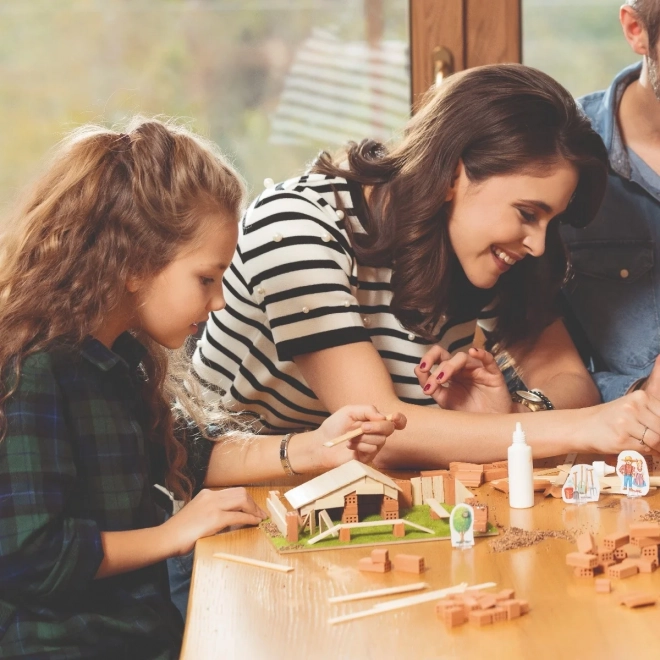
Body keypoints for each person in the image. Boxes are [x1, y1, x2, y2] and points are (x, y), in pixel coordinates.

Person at [0, 117, 404, 659]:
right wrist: (173, 533)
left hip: (145, 635)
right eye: (206, 279)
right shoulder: (35, 370)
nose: (218, 303)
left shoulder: (121, 356)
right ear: (134, 265)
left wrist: (317, 446)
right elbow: (32, 558)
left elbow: (190, 453)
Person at [194, 62, 660, 468]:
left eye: (550, 221)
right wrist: (583, 428)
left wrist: (515, 413)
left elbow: (569, 380)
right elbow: (378, 435)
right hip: (226, 509)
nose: (538, 245)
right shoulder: (298, 226)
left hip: (349, 502)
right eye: (527, 214)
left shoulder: (478, 250)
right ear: (453, 174)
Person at [561, 0, 660, 403]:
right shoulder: (562, 158)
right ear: (636, 30)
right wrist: (640, 395)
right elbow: (528, 365)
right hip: (612, 456)